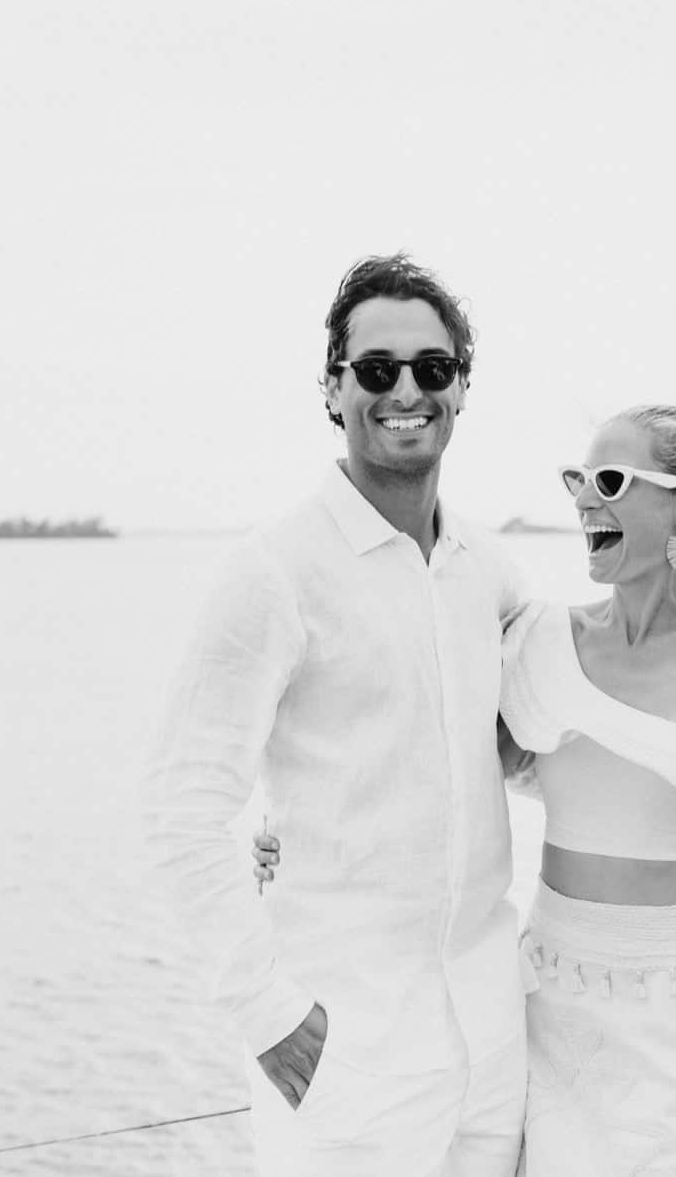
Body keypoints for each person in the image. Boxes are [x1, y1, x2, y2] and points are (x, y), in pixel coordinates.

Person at [257, 181, 676, 1172]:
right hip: (544, 983)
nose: (583, 502)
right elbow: (421, 750)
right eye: (577, 480)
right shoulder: (538, 641)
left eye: (609, 482)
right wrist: (290, 833)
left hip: (670, 1004)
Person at [142, 253, 528, 1175]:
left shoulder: (489, 570)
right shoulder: (275, 570)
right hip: (347, 1055)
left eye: (432, 368)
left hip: (492, 1039)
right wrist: (272, 1018)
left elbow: (544, 731)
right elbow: (179, 809)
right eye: (376, 369)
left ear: (462, 388)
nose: (406, 390)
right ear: (332, 387)